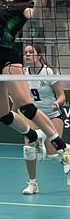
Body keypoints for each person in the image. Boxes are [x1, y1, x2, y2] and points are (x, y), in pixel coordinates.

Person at [0, 0, 70, 171]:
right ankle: (33, 135)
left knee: (26, 106)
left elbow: (37, 17)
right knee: (2, 115)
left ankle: (61, 147)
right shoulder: (1, 3)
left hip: (7, 56)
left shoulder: (21, 8)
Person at [18, 44, 66, 195]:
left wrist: (57, 103)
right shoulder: (22, 73)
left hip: (52, 116)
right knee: (28, 148)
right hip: (34, 116)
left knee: (52, 154)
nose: (27, 55)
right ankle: (33, 183)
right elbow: (20, 96)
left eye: (31, 52)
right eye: (25, 52)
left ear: (38, 55)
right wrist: (11, 113)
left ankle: (67, 158)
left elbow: (62, 95)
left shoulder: (48, 72)